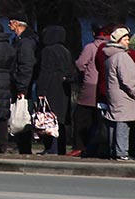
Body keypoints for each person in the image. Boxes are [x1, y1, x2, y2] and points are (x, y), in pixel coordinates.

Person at [74, 23, 112, 157]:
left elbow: (80, 64)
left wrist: (86, 72)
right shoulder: (111, 48)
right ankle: (96, 147)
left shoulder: (91, 47)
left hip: (90, 84)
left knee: (83, 118)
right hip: (104, 85)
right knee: (99, 119)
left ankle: (80, 146)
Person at [35, 25, 75, 154]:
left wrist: (41, 90)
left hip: (51, 87)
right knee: (60, 120)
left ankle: (51, 148)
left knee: (49, 118)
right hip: (63, 89)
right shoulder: (66, 51)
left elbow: (45, 71)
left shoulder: (48, 50)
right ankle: (60, 148)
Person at [100, 26, 135, 161]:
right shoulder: (122, 56)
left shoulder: (110, 55)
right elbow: (128, 80)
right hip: (124, 96)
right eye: (125, 39)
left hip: (114, 94)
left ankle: (114, 151)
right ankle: (122, 152)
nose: (128, 42)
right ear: (119, 41)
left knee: (114, 122)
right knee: (123, 124)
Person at [9, 13, 39, 154]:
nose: (9, 24)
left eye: (12, 21)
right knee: (21, 115)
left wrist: (22, 87)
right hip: (22, 84)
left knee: (23, 115)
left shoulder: (25, 42)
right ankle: (22, 145)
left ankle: (24, 147)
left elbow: (26, 66)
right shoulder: (21, 40)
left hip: (23, 86)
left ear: (18, 24)